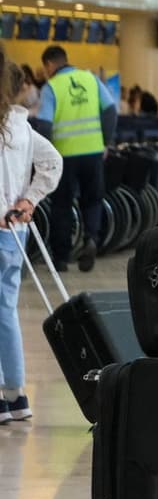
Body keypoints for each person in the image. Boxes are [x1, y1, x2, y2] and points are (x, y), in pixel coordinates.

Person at [0, 56, 63, 424]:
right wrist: (29, 200)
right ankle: (16, 393)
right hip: (15, 232)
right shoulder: (21, 125)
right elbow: (52, 162)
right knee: (5, 311)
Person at [38, 45, 117, 272]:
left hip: (64, 156)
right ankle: (91, 238)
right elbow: (111, 110)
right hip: (93, 151)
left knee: (62, 204)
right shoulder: (91, 79)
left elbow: (44, 124)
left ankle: (61, 258)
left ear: (50, 65)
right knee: (93, 199)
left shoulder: (51, 87)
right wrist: (106, 142)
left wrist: (44, 153)